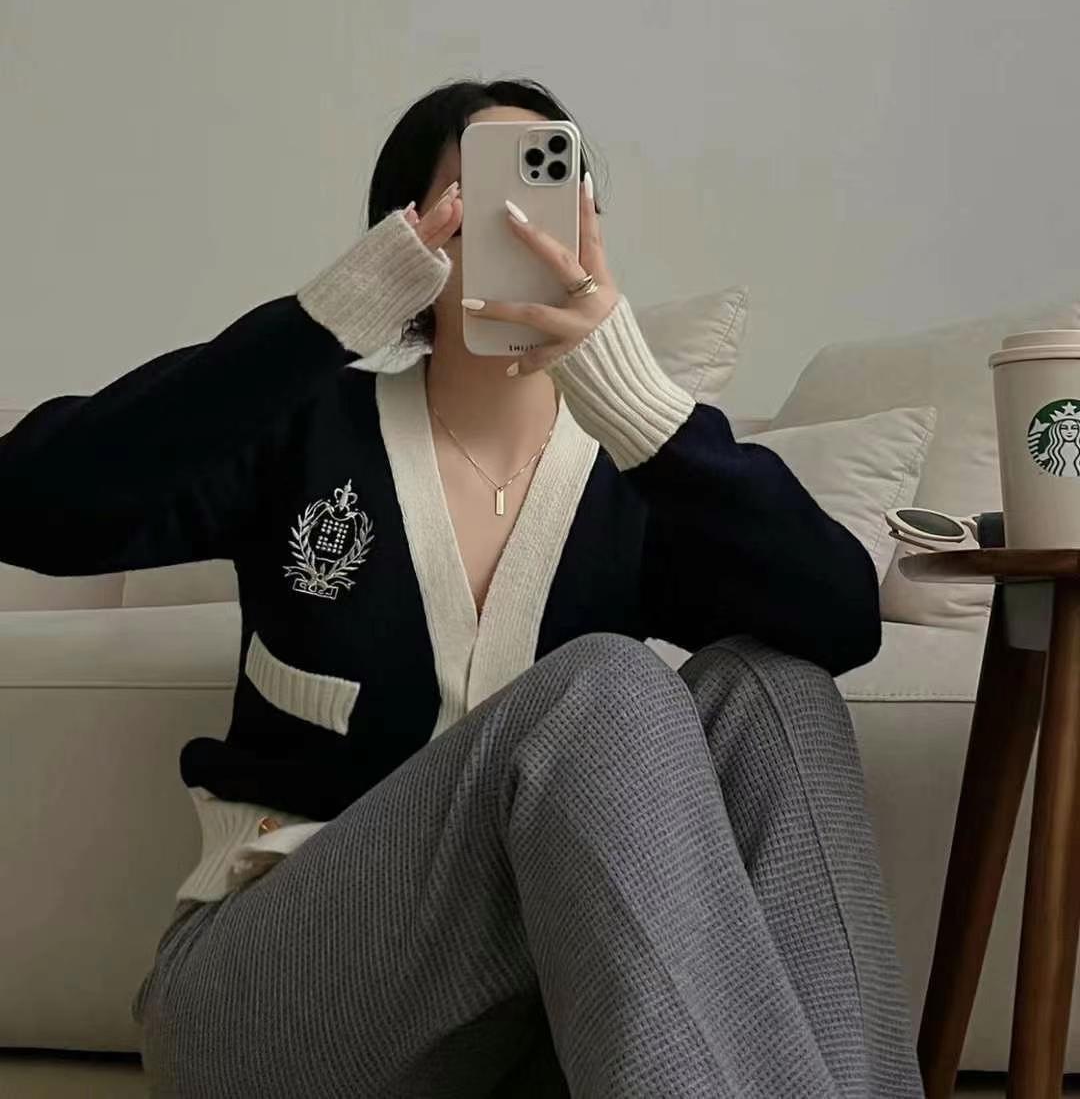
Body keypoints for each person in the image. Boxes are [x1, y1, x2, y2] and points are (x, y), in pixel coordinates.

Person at [0, 78, 924, 1098]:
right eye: (486, 199)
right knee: (608, 683)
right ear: (410, 237)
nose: (523, 228)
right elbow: (28, 505)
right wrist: (324, 321)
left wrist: (642, 403)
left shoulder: (640, 480)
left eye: (553, 193)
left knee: (774, 687)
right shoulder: (305, 431)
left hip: (535, 1030)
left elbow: (841, 620)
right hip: (273, 998)